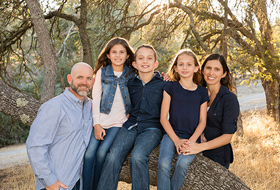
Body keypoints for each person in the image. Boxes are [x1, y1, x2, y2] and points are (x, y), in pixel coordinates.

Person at [97, 44, 166, 190]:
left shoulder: (164, 85)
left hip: (152, 128)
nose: (145, 61)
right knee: (113, 155)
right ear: (134, 64)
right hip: (131, 124)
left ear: (156, 64)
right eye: (140, 58)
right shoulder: (129, 82)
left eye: (149, 58)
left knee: (137, 157)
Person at [26, 62, 94, 190]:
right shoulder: (54, 107)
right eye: (80, 77)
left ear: (93, 81)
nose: (84, 82)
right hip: (56, 184)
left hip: (79, 182)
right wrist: (49, 181)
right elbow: (35, 145)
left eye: (88, 78)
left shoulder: (92, 107)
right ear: (70, 79)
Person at [82, 37, 135, 190]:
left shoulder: (132, 74)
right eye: (114, 52)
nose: (118, 56)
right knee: (89, 154)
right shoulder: (101, 73)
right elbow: (96, 99)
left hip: (119, 123)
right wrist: (96, 124)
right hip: (101, 120)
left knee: (102, 153)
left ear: (127, 55)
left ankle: (98, 186)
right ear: (108, 55)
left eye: (122, 52)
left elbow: (145, 82)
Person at [157, 49, 209, 190]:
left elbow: (203, 121)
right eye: (181, 64)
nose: (185, 68)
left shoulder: (202, 92)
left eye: (188, 64)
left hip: (193, 137)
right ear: (175, 68)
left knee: (182, 164)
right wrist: (176, 140)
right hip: (172, 134)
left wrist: (192, 141)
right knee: (163, 165)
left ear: (196, 68)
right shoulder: (170, 87)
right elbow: (163, 118)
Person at [184, 53, 240, 169]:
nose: (211, 73)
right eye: (208, 68)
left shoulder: (229, 99)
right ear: (202, 70)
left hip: (218, 157)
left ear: (224, 74)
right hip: (194, 153)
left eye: (217, 69)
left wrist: (200, 147)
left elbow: (227, 137)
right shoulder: (196, 93)